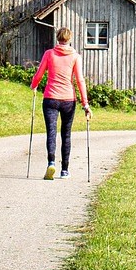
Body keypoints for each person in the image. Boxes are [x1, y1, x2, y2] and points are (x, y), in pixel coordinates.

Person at [30, 27, 92, 180]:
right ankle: (65, 170)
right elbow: (80, 80)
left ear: (57, 38)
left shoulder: (49, 54)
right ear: (69, 39)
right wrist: (85, 104)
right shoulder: (76, 57)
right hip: (68, 100)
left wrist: (33, 85)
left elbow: (39, 73)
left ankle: (51, 162)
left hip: (51, 98)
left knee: (51, 132)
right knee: (66, 134)